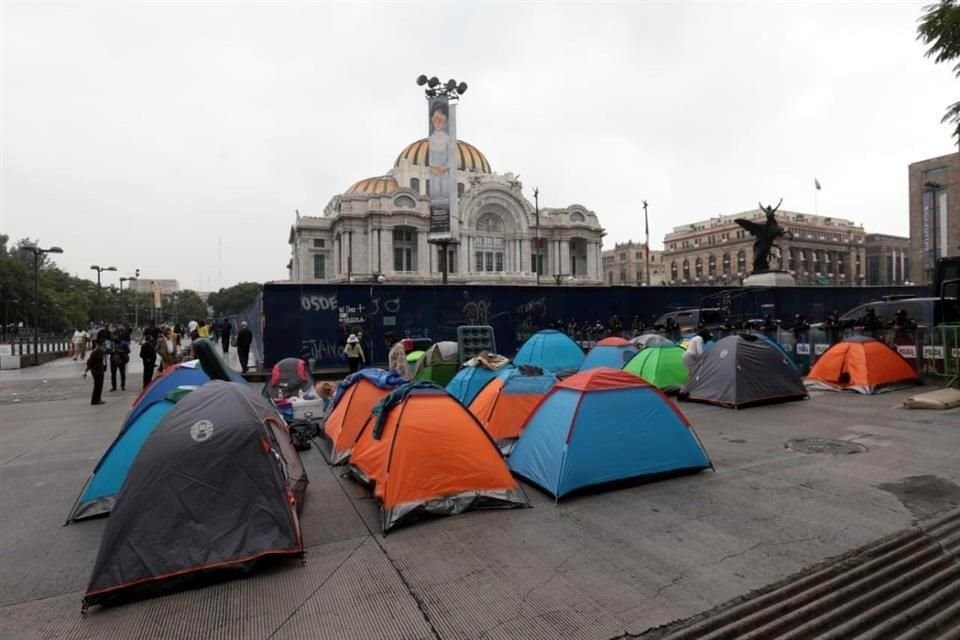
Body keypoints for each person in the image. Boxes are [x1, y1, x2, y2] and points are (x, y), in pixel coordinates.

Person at [84, 339, 106, 405]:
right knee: (98, 386)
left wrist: (87, 369)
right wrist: (86, 370)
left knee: (98, 386)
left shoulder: (95, 350)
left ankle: (97, 399)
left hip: (96, 370)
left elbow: (90, 361)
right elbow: (91, 361)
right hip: (97, 370)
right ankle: (95, 400)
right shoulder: (99, 351)